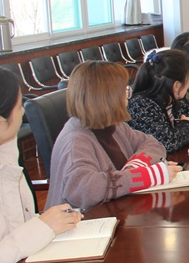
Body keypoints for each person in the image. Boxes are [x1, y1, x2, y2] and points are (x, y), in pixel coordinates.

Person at [0, 64, 80, 263]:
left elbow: (15, 229)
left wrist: (53, 222)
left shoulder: (3, 155)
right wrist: (40, 228)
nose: (23, 112)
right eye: (18, 106)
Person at [47, 61, 176, 210]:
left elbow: (153, 144)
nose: (128, 96)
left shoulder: (114, 125)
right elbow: (85, 190)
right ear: (108, 98)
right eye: (124, 90)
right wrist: (147, 176)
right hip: (85, 220)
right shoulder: (75, 141)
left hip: (116, 210)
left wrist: (135, 166)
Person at [127, 49, 189, 153]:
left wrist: (186, 128)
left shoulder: (172, 100)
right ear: (176, 86)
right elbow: (167, 143)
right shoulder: (140, 105)